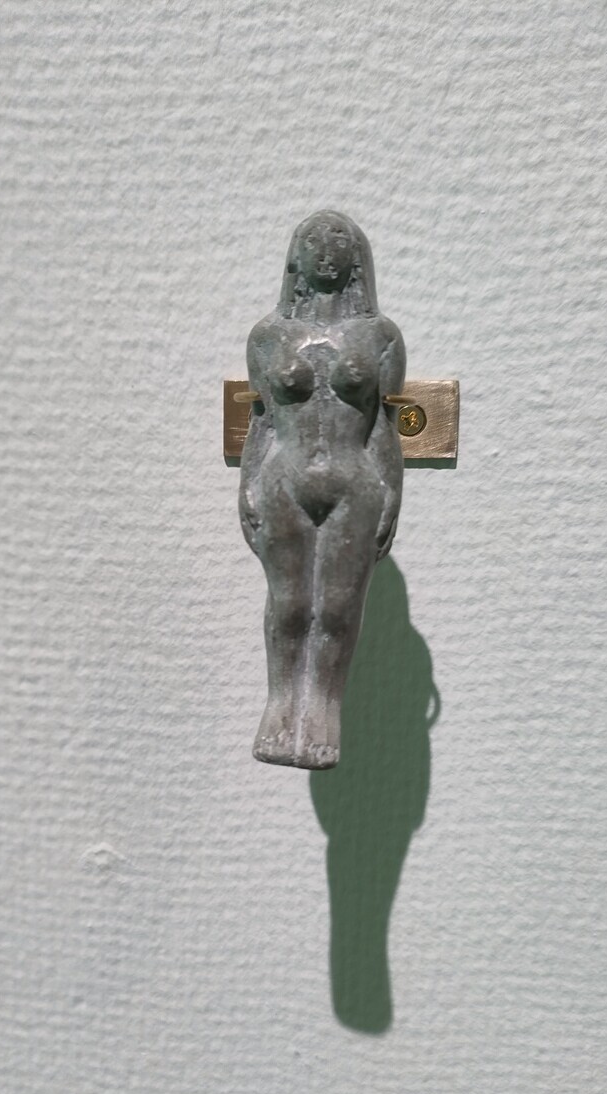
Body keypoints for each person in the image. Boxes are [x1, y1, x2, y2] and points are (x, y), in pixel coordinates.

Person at [239, 210, 405, 768]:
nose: (326, 249)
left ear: (356, 259)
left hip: (353, 482)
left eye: (338, 239)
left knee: (336, 607)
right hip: (284, 480)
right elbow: (262, 420)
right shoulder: (269, 336)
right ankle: (280, 705)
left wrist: (392, 493)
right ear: (297, 257)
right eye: (314, 239)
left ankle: (324, 709)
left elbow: (382, 424)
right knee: (288, 604)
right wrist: (247, 486)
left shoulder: (380, 336)